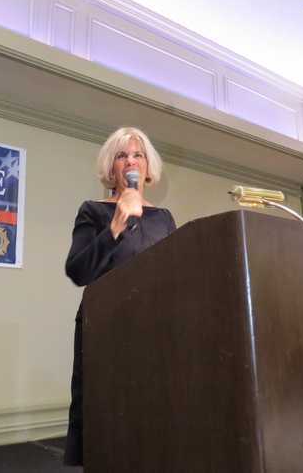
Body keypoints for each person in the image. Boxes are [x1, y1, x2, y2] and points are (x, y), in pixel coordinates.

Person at [63, 126, 176, 466]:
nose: (131, 161)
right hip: (106, 331)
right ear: (111, 168)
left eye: (137, 155)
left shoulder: (163, 218)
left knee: (151, 423)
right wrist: (116, 223)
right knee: (108, 422)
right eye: (122, 155)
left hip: (153, 330)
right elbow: (77, 270)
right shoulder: (93, 211)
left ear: (147, 166)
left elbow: (175, 274)